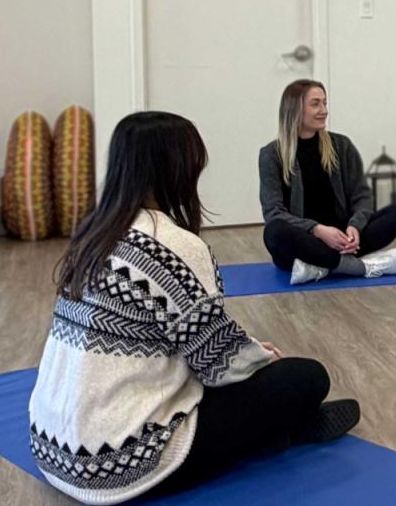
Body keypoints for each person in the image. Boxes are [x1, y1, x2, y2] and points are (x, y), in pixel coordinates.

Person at [28, 112, 360, 504]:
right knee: (306, 378)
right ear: (179, 168)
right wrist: (259, 357)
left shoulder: (91, 234)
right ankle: (276, 433)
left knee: (232, 370)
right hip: (120, 462)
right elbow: (220, 364)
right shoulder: (173, 244)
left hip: (53, 448)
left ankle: (273, 430)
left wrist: (245, 350)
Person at [260, 79, 396, 285]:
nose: (323, 110)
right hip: (304, 240)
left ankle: (320, 266)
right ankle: (359, 267)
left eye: (325, 103)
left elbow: (362, 196)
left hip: (344, 238)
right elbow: (273, 212)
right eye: (315, 104)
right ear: (295, 109)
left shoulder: (341, 145)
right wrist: (317, 230)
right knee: (274, 231)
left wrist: (354, 227)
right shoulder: (271, 155)